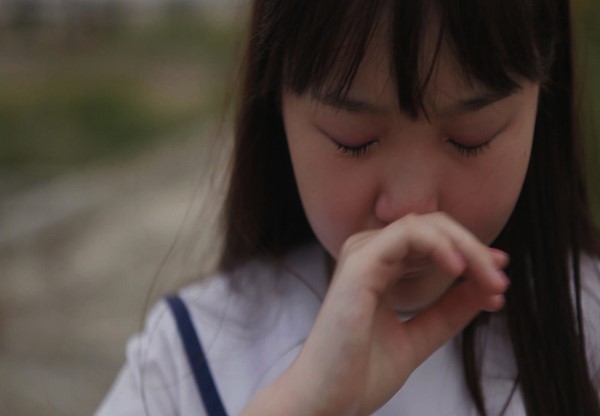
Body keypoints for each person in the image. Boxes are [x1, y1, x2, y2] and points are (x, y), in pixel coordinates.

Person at [96, 0, 600, 415]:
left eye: (471, 138)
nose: (411, 209)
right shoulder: (188, 359)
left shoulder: (591, 327)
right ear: (277, 106)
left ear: (544, 100)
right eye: (353, 140)